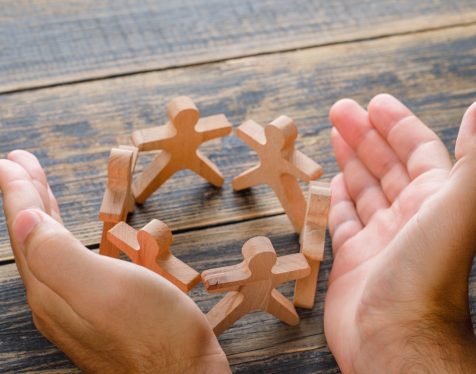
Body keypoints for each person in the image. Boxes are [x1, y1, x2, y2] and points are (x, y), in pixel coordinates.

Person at [0, 94, 475, 373]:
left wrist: (181, 363)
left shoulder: (252, 262)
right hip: (247, 198)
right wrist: (405, 332)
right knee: (187, 180)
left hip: (273, 196)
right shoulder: (153, 248)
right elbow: (199, 275)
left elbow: (209, 278)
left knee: (274, 247)